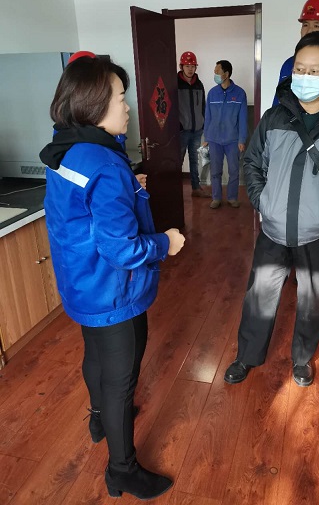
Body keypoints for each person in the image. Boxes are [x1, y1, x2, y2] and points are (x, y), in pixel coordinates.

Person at [39, 53, 185, 501]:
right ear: (95, 104)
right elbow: (121, 249)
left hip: (82, 283)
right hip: (111, 290)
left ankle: (100, 418)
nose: (128, 107)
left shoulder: (69, 147)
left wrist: (128, 187)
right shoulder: (104, 164)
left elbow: (85, 214)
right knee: (121, 378)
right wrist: (165, 242)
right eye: (121, 98)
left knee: (97, 355)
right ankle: (122, 470)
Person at [224, 31, 319, 388]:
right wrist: (262, 200)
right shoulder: (274, 116)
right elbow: (253, 163)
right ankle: (247, 355)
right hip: (273, 228)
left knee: (310, 300)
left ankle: (303, 359)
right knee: (259, 296)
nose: (305, 76)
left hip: (318, 232)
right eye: (299, 68)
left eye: (314, 70)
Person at [203, 60, 248, 209]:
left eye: (217, 71)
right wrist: (206, 137)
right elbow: (208, 116)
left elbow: (243, 118)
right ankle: (216, 198)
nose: (215, 74)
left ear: (226, 74)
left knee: (234, 171)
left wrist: (242, 139)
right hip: (214, 139)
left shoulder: (239, 93)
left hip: (232, 139)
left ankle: (232, 197)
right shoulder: (212, 93)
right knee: (215, 171)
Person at [178, 51, 210, 197]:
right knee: (178, 160)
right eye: (187, 66)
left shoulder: (199, 84)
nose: (190, 69)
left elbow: (203, 106)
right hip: (182, 130)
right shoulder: (176, 83)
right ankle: (175, 189)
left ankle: (196, 188)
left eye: (192, 66)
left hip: (197, 130)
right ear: (181, 67)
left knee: (194, 160)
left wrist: (203, 123)